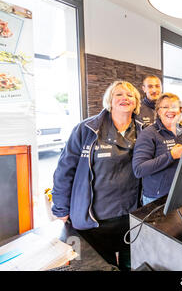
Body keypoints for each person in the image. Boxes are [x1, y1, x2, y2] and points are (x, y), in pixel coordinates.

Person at [52, 80, 144, 271]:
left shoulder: (144, 132)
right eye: (119, 94)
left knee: (132, 265)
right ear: (109, 101)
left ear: (136, 103)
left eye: (130, 95)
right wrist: (61, 208)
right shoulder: (86, 130)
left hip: (130, 215)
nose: (124, 98)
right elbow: (64, 169)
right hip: (94, 219)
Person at [133, 93, 182, 205]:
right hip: (158, 199)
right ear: (158, 111)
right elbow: (139, 169)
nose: (170, 110)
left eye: (174, 107)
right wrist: (170, 156)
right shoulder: (149, 134)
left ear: (180, 110)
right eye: (165, 107)